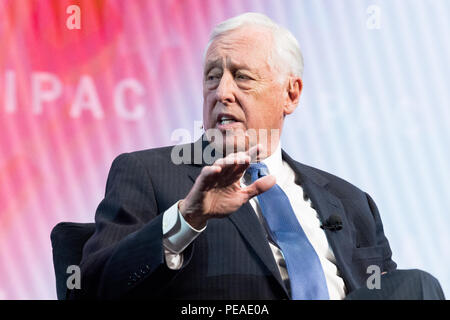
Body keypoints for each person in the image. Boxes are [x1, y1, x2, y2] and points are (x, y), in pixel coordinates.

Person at [71, 13, 444, 300]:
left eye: (242, 77)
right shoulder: (150, 174)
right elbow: (94, 289)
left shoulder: (350, 202)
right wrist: (188, 217)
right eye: (212, 77)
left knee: (417, 286)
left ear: (291, 95)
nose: (223, 92)